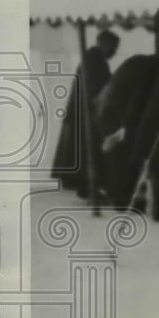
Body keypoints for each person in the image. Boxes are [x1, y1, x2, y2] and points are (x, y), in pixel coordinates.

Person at [52, 29, 120, 198]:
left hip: (80, 114)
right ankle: (88, 187)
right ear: (105, 44)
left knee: (82, 153)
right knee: (87, 152)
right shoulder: (94, 60)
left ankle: (87, 187)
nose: (114, 52)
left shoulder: (92, 58)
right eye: (114, 47)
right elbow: (99, 88)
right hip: (84, 116)